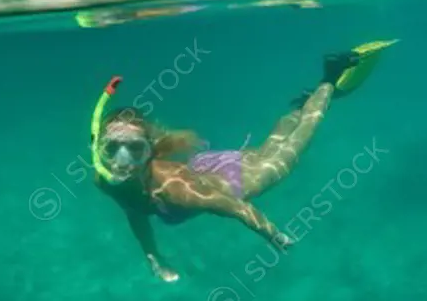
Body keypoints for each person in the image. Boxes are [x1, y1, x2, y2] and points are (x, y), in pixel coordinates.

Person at [89, 40, 398, 283]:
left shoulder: (175, 192)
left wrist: (273, 235)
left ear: (151, 151)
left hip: (231, 181)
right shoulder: (105, 181)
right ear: (97, 148)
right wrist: (153, 256)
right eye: (112, 148)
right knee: (269, 147)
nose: (123, 161)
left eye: (135, 149)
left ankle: (329, 78)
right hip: (202, 167)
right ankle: (305, 103)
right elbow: (134, 210)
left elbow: (236, 207)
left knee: (291, 151)